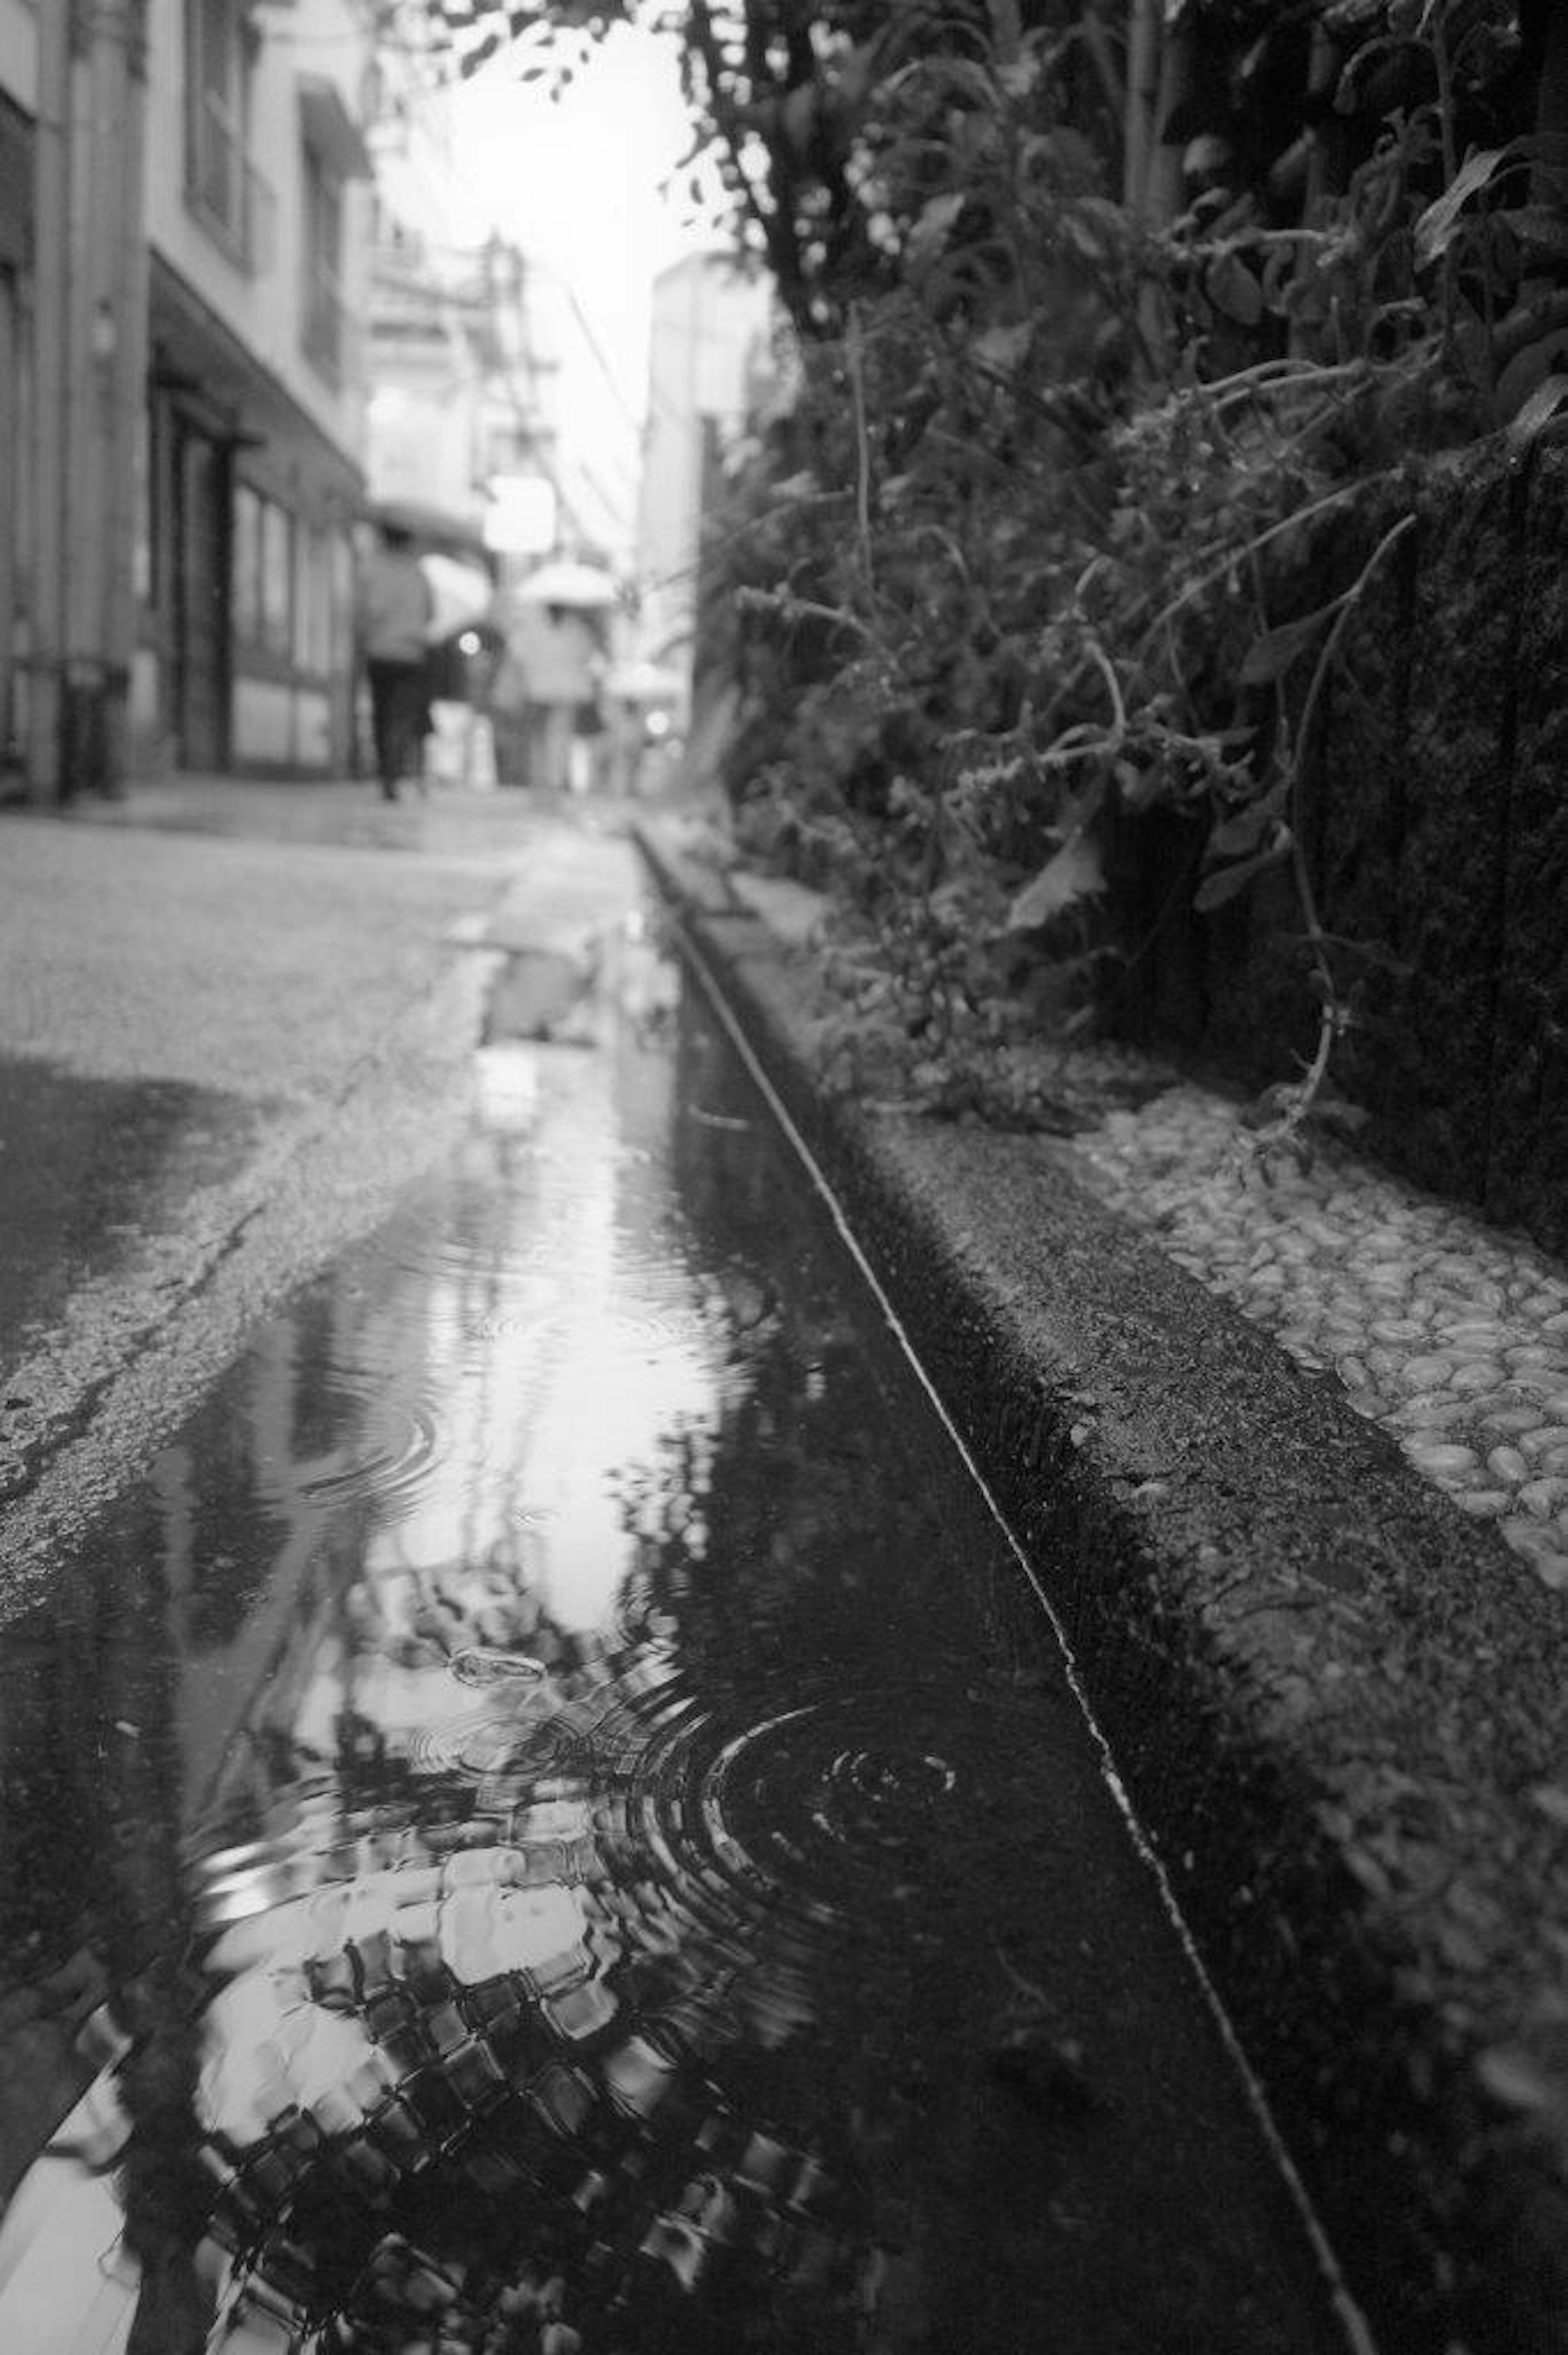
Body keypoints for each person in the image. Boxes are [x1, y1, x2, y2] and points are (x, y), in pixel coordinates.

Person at [356, 523, 434, 801]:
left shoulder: (372, 570)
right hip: (412, 653)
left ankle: (386, 772)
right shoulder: (417, 573)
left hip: (380, 651)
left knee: (382, 713)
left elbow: (367, 611)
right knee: (402, 715)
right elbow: (430, 612)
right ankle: (395, 767)